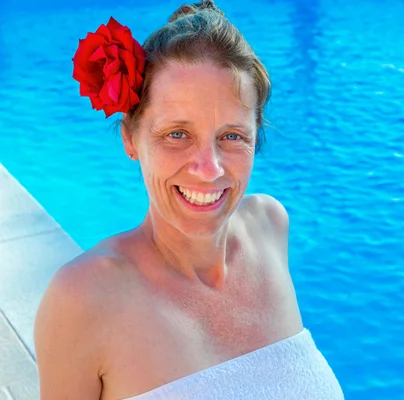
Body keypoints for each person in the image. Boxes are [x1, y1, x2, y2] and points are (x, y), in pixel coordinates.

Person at [33, 1, 344, 399]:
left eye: (232, 136)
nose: (209, 168)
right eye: (177, 134)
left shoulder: (269, 226)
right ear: (131, 137)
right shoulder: (82, 299)